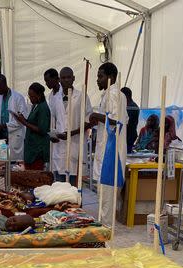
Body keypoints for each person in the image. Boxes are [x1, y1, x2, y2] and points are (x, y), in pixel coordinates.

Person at [89, 62, 127, 225]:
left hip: (112, 151)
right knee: (103, 193)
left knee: (107, 194)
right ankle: (103, 225)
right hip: (106, 149)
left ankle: (106, 228)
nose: (97, 80)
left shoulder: (114, 94)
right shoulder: (108, 94)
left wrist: (96, 116)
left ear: (110, 77)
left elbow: (116, 120)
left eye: (100, 76)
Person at [53, 67, 92, 186]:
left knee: (75, 188)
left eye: (68, 77)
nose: (66, 80)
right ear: (59, 80)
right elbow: (54, 121)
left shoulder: (82, 97)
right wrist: (53, 135)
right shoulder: (55, 98)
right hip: (60, 148)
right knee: (60, 187)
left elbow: (88, 121)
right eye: (63, 78)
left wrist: (71, 133)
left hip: (75, 146)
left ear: (73, 78)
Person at [13, 83, 50, 170]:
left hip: (37, 150)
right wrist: (22, 119)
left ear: (39, 95)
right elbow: (32, 123)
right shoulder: (35, 106)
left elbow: (42, 129)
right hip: (31, 148)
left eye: (32, 96)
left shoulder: (43, 108)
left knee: (35, 176)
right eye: (29, 96)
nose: (30, 98)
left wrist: (24, 122)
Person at [0, 74, 28, 161]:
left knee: (15, 165)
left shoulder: (18, 98)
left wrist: (5, 125)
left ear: (4, 84)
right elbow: (0, 115)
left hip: (15, 135)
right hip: (3, 136)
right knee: (3, 162)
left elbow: (22, 121)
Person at [43, 68, 62, 178]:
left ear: (56, 79)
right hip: (54, 133)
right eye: (45, 81)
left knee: (63, 168)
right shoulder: (50, 95)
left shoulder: (63, 94)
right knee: (54, 165)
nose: (47, 83)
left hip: (62, 134)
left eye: (48, 80)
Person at [121, 86, 140, 153]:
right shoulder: (130, 106)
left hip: (129, 136)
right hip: (128, 135)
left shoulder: (131, 107)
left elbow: (126, 122)